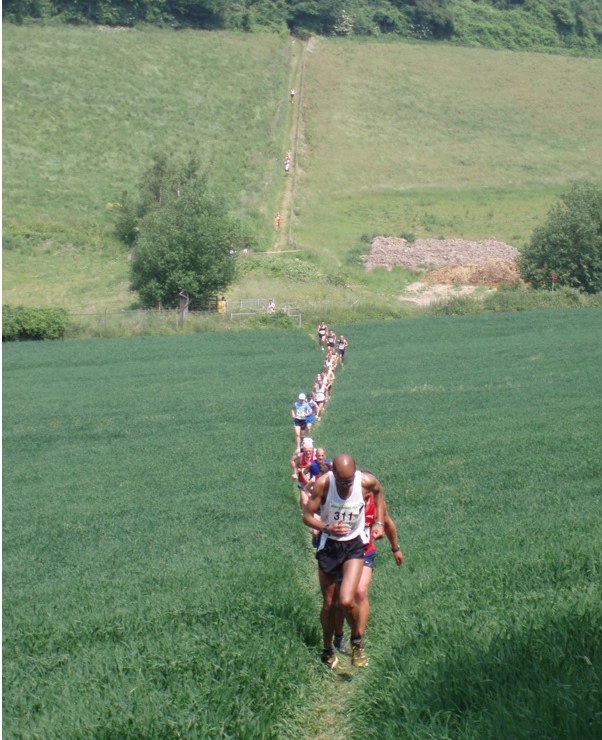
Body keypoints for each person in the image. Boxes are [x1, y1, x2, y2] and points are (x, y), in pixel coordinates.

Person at [302, 454, 385, 670]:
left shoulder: (365, 481)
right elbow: (307, 516)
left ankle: (357, 643)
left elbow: (378, 492)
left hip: (354, 546)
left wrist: (379, 522)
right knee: (330, 604)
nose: (346, 486)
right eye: (341, 481)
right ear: (333, 474)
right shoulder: (324, 484)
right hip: (329, 546)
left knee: (347, 600)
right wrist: (327, 527)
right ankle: (327, 650)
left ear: (355, 474)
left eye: (349, 481)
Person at [332, 488, 403, 655]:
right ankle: (338, 635)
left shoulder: (377, 504)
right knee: (340, 598)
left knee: (361, 591)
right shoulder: (344, 501)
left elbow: (387, 523)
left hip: (366, 551)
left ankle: (358, 640)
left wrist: (395, 548)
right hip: (342, 553)